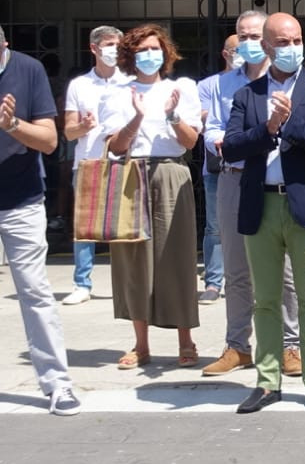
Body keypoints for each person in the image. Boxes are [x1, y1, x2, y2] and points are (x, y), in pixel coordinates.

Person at [222, 12, 305, 414]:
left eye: (297, 41)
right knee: (266, 300)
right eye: (283, 43)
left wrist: (287, 123)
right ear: (267, 48)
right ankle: (267, 380)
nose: (292, 49)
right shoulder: (247, 95)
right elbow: (234, 146)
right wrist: (268, 127)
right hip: (262, 203)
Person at [200, 10, 302, 379]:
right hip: (234, 178)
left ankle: (291, 345)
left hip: (275, 182)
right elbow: (213, 130)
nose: (248, 43)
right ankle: (238, 346)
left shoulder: (287, 83)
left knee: (285, 269)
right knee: (236, 267)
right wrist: (220, 141)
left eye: (255, 36)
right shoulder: (221, 85)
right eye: (242, 36)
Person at [100, 24, 203, 370]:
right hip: (132, 174)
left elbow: (189, 142)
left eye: (155, 48)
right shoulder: (117, 93)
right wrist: (137, 117)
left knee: (178, 257)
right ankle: (140, 344)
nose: (150, 55)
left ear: (166, 52)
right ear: (131, 56)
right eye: (142, 50)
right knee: (134, 260)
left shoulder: (181, 88)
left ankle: (186, 340)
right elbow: (115, 146)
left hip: (172, 172)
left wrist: (172, 115)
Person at [0, 24, 81, 414]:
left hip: (21, 201)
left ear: (5, 46)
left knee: (34, 292)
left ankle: (57, 384)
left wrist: (13, 126)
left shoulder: (27, 70)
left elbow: (50, 141)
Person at [60, 25, 127, 306]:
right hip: (87, 160)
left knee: (123, 225)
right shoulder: (79, 85)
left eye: (118, 45)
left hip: (122, 160)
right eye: (110, 44)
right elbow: (68, 132)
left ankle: (124, 284)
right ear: (94, 48)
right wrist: (83, 126)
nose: (115, 50)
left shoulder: (131, 81)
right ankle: (82, 283)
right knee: (85, 226)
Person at [192, 34, 237, 305]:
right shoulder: (210, 85)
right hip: (216, 166)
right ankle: (213, 281)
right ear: (225, 53)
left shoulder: (255, 81)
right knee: (215, 227)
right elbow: (198, 117)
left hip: (250, 164)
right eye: (236, 49)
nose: (241, 54)